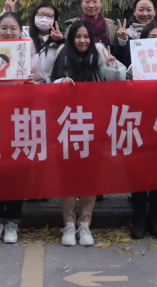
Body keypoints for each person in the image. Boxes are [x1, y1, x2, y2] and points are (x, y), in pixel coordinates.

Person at [52, 20, 126, 247]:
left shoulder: (100, 54)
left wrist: (112, 67)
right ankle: (68, 223)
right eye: (77, 36)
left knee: (90, 175)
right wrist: (60, 83)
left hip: (93, 125)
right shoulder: (62, 55)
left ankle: (85, 223)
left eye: (86, 36)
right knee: (67, 176)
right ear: (71, 38)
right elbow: (48, 84)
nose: (82, 41)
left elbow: (117, 84)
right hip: (67, 125)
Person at [0, 12, 45, 244]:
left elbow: (42, 84)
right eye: (4, 28)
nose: (8, 32)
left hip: (20, 118)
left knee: (17, 170)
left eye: (13, 28)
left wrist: (33, 84)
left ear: (21, 31)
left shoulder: (29, 52)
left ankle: (12, 221)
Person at [128, 22, 157, 240]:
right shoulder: (133, 66)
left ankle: (156, 220)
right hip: (140, 126)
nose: (156, 41)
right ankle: (139, 220)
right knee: (139, 175)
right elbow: (125, 91)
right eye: (152, 37)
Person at [112, 0, 157, 67]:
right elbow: (118, 62)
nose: (145, 14)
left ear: (154, 12)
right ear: (134, 12)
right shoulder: (125, 34)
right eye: (141, 10)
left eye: (149, 10)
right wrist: (122, 42)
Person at [28, 1, 65, 80]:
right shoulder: (24, 35)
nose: (44, 19)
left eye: (49, 16)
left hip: (47, 85)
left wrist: (61, 41)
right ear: (34, 16)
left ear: (55, 20)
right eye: (40, 15)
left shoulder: (57, 43)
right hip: (24, 84)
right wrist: (7, 12)